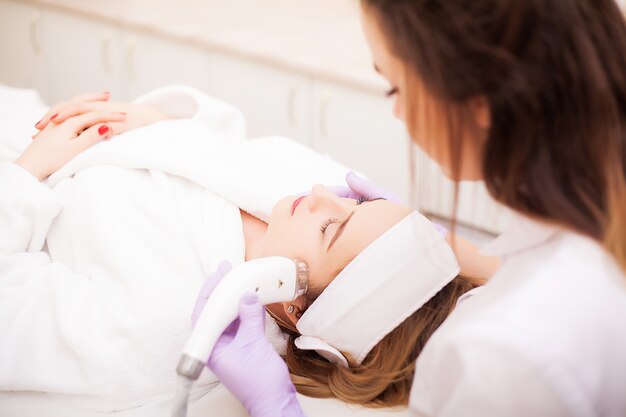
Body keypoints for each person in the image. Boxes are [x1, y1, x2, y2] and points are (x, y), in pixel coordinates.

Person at [189, 1, 626, 416]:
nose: (398, 111)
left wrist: (274, 409)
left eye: (396, 86)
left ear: (478, 102)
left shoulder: (501, 363)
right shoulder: (584, 243)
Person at [0, 86, 489, 412]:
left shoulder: (167, 320)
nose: (323, 194)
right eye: (358, 204)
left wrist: (25, 173)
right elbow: (227, 136)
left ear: (296, 307)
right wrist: (158, 120)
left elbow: (11, 315)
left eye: (332, 230)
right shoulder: (298, 199)